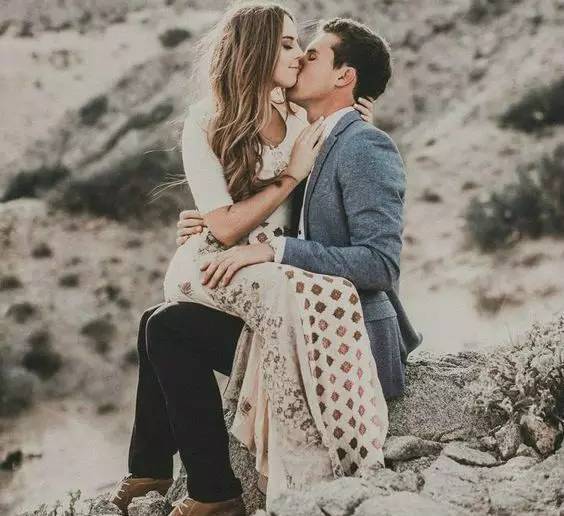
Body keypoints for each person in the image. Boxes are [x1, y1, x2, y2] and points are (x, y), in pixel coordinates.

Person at [110, 4, 421, 516]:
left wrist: (270, 247)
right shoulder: (303, 129)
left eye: (309, 52)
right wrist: (215, 222)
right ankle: (151, 471)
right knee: (156, 322)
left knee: (168, 328)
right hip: (296, 311)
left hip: (339, 333)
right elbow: (261, 211)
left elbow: (378, 259)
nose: (299, 58)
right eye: (291, 46)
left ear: (342, 76)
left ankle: (213, 493)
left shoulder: (347, 138)